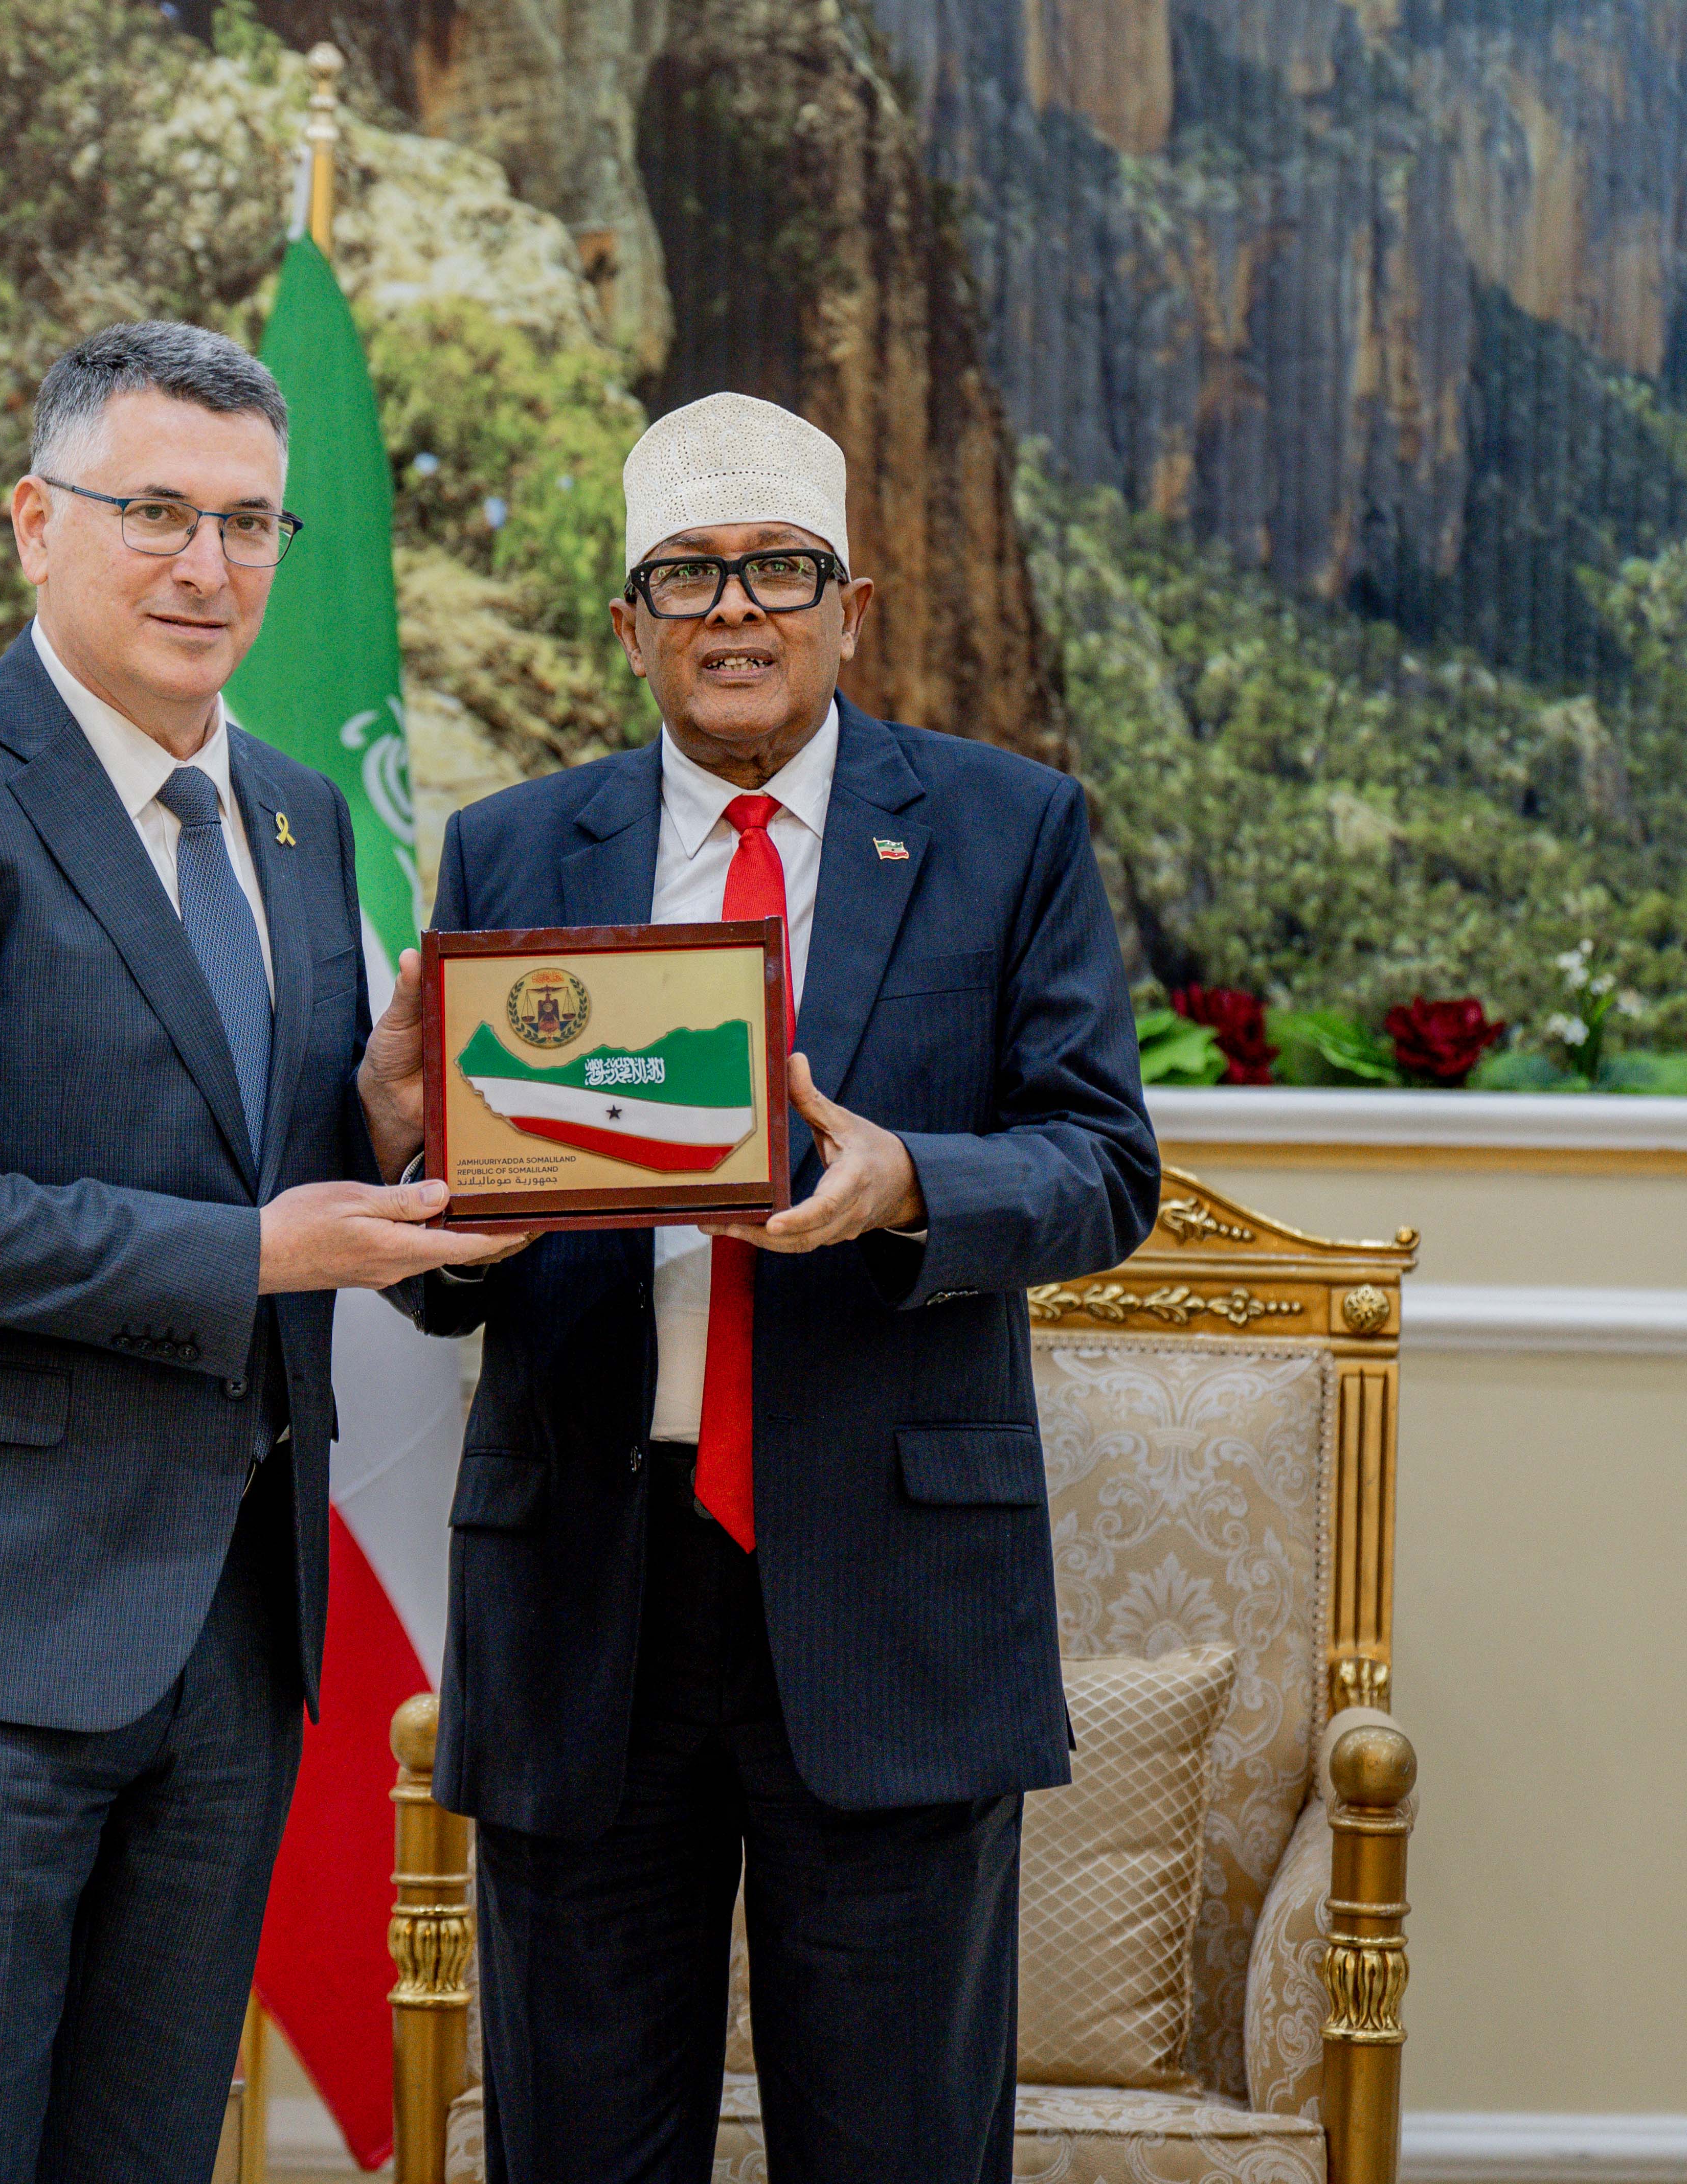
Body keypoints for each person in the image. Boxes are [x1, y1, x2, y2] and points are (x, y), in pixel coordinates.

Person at [0, 321, 512, 2184]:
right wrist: (255, 1251)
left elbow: (277, 1185)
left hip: (229, 1636)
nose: (206, 566)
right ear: (36, 520)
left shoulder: (299, 818)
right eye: (155, 511)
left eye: (248, 525)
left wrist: (391, 1131)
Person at [404, 392, 1160, 2181]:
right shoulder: (509, 849)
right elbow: (444, 1265)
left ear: (852, 608)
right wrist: (434, 1194)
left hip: (894, 1600)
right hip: (588, 1588)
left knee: (898, 2148)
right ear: (631, 625)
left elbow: (1102, 1166)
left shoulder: (1009, 829)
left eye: (780, 570)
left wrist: (914, 1188)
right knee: (578, 2146)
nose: (735, 609)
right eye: (688, 575)